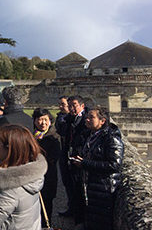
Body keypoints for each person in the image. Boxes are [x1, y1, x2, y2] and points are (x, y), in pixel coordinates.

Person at [70, 106, 124, 230]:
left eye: (91, 117)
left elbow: (115, 165)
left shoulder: (111, 138)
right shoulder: (92, 135)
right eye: (87, 117)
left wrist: (85, 164)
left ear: (102, 121)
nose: (87, 120)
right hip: (92, 187)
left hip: (104, 189)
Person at [32, 108, 61, 227]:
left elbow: (53, 158)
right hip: (32, 176)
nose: (43, 123)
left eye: (46, 120)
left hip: (47, 176)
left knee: (46, 204)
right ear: (34, 121)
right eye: (40, 119)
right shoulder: (31, 136)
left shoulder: (54, 137)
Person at [65, 95, 89, 225]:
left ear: (82, 105)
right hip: (72, 158)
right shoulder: (70, 118)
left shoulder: (86, 119)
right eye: (70, 106)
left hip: (82, 160)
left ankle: (81, 220)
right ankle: (75, 214)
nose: (71, 108)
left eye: (74, 105)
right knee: (73, 187)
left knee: (81, 191)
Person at [55, 96, 74, 216]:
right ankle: (70, 207)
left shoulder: (72, 120)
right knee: (66, 182)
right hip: (64, 154)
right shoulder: (60, 117)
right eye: (60, 104)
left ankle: (73, 209)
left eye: (63, 104)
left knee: (71, 183)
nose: (60, 106)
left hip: (70, 154)